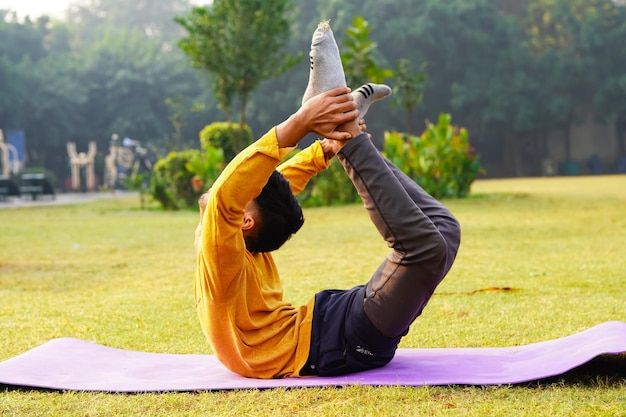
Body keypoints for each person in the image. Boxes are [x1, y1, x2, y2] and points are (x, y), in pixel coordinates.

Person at [193, 22, 461, 379]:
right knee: (427, 248)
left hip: (328, 323)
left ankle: (345, 131)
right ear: (243, 221)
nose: (234, 186)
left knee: (444, 231)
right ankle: (349, 133)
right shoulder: (221, 255)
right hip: (337, 343)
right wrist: (301, 122)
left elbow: (275, 185)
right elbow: (230, 193)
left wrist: (325, 146)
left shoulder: (241, 239)